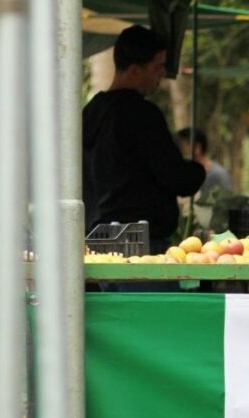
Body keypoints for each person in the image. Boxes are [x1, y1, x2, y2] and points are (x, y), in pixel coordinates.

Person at [83, 25, 205, 254]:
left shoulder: (90, 113)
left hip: (94, 239)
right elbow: (175, 176)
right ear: (134, 70)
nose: (162, 75)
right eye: (157, 67)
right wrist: (198, 170)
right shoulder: (140, 115)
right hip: (137, 244)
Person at [176, 127, 232, 196]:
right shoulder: (182, 175)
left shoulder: (218, 174)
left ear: (197, 147)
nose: (179, 150)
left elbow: (227, 202)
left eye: (182, 146)